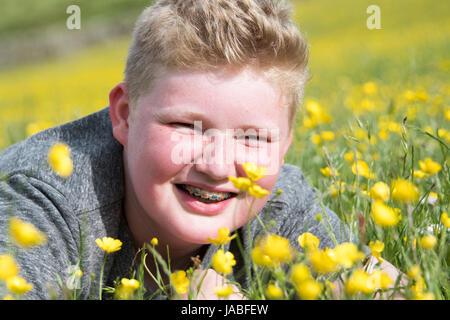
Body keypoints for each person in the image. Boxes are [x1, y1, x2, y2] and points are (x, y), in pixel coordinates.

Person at [0, 0, 400, 300]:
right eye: (185, 126)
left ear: (286, 143)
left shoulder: (276, 202)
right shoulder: (43, 202)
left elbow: (384, 288)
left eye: (254, 138)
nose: (218, 165)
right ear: (124, 115)